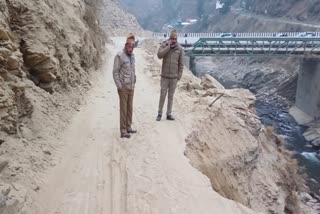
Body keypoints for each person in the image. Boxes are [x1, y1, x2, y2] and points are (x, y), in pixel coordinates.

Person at [113, 33, 137, 138]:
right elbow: (115, 72)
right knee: (123, 109)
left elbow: (132, 70)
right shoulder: (119, 56)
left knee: (130, 108)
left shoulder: (133, 56)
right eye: (129, 46)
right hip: (123, 88)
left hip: (131, 87)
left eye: (132, 47)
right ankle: (123, 131)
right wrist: (119, 86)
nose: (131, 49)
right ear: (125, 45)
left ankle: (128, 127)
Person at [156, 29, 184, 121]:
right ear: (169, 38)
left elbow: (181, 64)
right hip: (164, 76)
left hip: (173, 78)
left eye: (175, 38)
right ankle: (159, 113)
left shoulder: (179, 49)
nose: (174, 40)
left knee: (171, 96)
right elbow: (159, 55)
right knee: (162, 95)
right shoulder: (164, 45)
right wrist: (168, 47)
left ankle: (169, 114)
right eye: (172, 38)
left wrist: (178, 76)